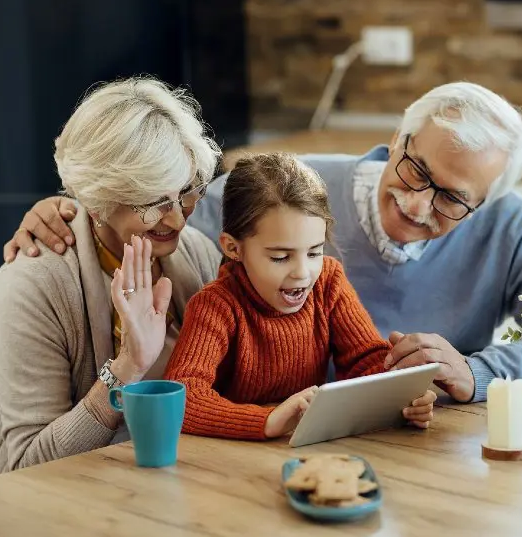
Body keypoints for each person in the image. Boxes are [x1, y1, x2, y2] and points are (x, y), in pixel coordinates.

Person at [4, 81, 522, 404]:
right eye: (414, 169)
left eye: (452, 199)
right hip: (272, 445)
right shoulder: (290, 185)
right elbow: (152, 210)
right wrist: (69, 209)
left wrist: (475, 374)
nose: (418, 204)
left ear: (486, 201)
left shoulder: (512, 229)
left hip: (415, 442)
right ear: (398, 136)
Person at [0, 77, 222, 482]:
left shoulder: (196, 253)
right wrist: (128, 366)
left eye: (187, 191)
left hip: (150, 489)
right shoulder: (30, 289)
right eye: (153, 202)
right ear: (98, 202)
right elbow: (30, 467)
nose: (176, 218)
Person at [160, 153, 436, 440]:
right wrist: (267, 420)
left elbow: (365, 361)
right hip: (232, 458)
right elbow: (181, 398)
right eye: (280, 257)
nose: (303, 273)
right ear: (233, 248)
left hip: (307, 447)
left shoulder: (328, 282)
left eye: (315, 252)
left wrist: (401, 393)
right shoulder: (215, 306)